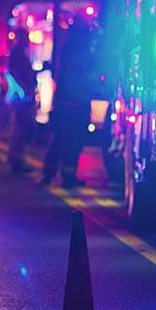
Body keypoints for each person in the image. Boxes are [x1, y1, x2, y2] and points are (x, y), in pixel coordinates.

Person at [42, 22, 94, 187]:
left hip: (66, 105)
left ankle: (51, 173)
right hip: (76, 106)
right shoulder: (84, 54)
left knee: (60, 140)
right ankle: (66, 176)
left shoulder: (66, 51)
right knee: (72, 143)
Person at [5, 37, 38, 174]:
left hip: (22, 97)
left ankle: (17, 160)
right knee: (19, 130)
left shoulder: (18, 53)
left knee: (20, 130)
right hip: (21, 99)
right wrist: (23, 91)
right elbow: (12, 73)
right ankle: (16, 162)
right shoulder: (17, 54)